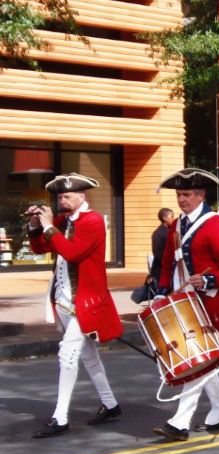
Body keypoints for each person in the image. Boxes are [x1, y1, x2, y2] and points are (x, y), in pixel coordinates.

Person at [26, 173, 123, 438]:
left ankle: (60, 418)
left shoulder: (92, 221)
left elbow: (72, 252)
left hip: (86, 302)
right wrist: (36, 224)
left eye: (68, 196)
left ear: (83, 197)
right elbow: (38, 248)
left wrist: (48, 226)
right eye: (60, 197)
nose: (63, 201)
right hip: (64, 300)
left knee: (67, 355)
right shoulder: (61, 221)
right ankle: (111, 404)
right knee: (89, 356)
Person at [152, 168, 219, 441]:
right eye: (178, 194)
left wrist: (209, 279)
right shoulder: (176, 225)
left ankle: (180, 422)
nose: (181, 199)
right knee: (204, 362)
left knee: (196, 362)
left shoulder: (217, 224)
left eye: (187, 194)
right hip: (184, 304)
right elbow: (166, 264)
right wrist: (160, 292)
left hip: (211, 304)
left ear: (201, 195)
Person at [148, 208, 174, 287]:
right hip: (162, 271)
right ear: (164, 218)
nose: (173, 219)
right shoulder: (159, 233)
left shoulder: (170, 231)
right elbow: (158, 254)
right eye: (171, 216)